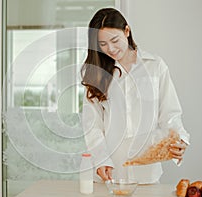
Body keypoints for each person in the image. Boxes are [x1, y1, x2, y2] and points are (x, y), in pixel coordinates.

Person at [81, 8, 190, 184]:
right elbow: (92, 125)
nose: (110, 48)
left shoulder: (155, 67)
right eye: (102, 44)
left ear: (127, 31)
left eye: (114, 40)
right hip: (109, 174)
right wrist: (101, 159)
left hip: (146, 174)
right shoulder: (97, 74)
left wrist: (180, 140)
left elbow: (170, 114)